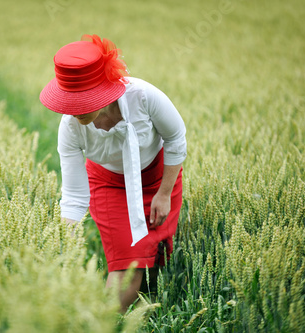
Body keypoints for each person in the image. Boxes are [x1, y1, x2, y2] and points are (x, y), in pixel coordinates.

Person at [39, 34, 186, 312]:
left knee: (154, 261)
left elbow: (176, 139)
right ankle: (100, 323)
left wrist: (164, 193)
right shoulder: (70, 128)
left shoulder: (144, 97)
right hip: (108, 186)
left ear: (102, 91)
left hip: (158, 178)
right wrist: (65, 238)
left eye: (82, 100)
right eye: (69, 101)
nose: (73, 111)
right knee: (129, 266)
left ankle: (147, 312)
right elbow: (73, 194)